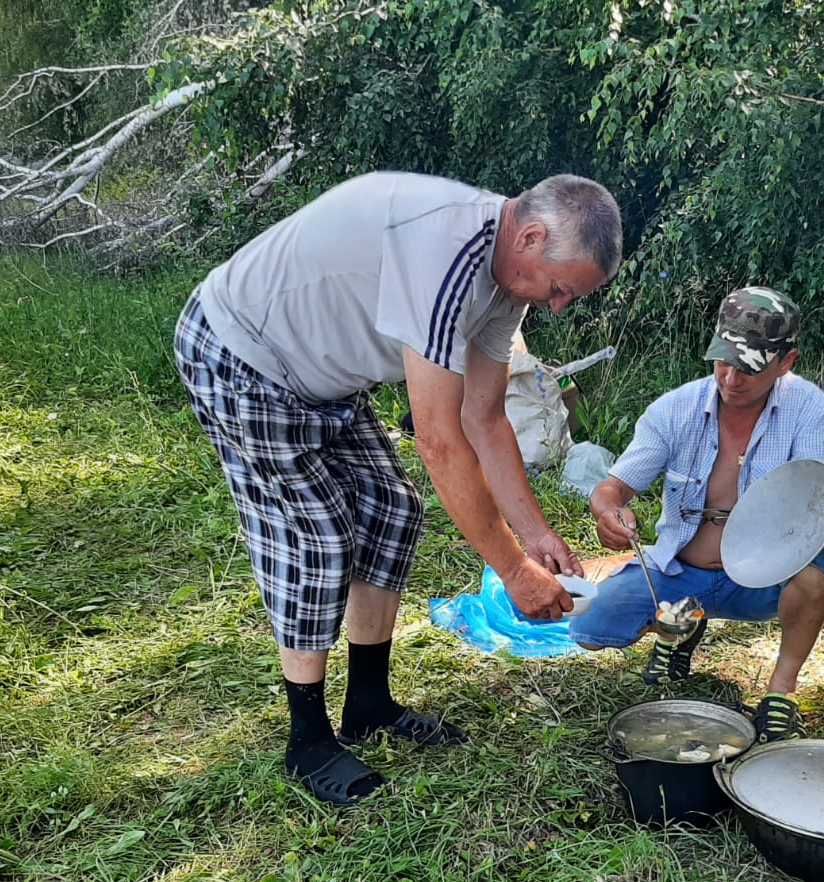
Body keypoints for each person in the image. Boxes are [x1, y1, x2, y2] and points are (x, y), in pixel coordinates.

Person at [174, 172, 622, 805]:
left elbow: (486, 418)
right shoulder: (445, 251)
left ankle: (369, 705)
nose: (556, 307)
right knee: (320, 538)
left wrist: (537, 535)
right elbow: (439, 441)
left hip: (322, 377)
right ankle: (307, 740)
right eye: (559, 289)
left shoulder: (504, 283)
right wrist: (515, 572)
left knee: (392, 508)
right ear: (530, 235)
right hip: (242, 352)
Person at [569, 287, 824, 743]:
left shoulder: (808, 409)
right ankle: (684, 621)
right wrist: (609, 511)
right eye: (723, 360)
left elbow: (813, 502)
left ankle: (780, 693)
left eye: (749, 368)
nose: (732, 378)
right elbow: (611, 487)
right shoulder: (675, 409)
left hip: (763, 576)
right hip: (681, 569)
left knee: (816, 577)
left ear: (786, 362)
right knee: (591, 629)